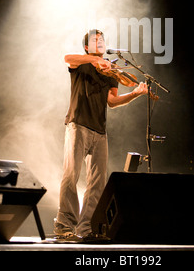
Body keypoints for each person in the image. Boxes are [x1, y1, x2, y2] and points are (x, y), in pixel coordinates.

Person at [54, 29, 148, 240]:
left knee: (97, 183)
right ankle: (64, 226)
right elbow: (67, 58)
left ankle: (86, 228)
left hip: (100, 130)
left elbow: (112, 102)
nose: (101, 41)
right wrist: (94, 60)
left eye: (102, 39)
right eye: (95, 40)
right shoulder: (81, 63)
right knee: (71, 176)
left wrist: (134, 94)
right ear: (87, 47)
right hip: (78, 124)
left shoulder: (111, 71)